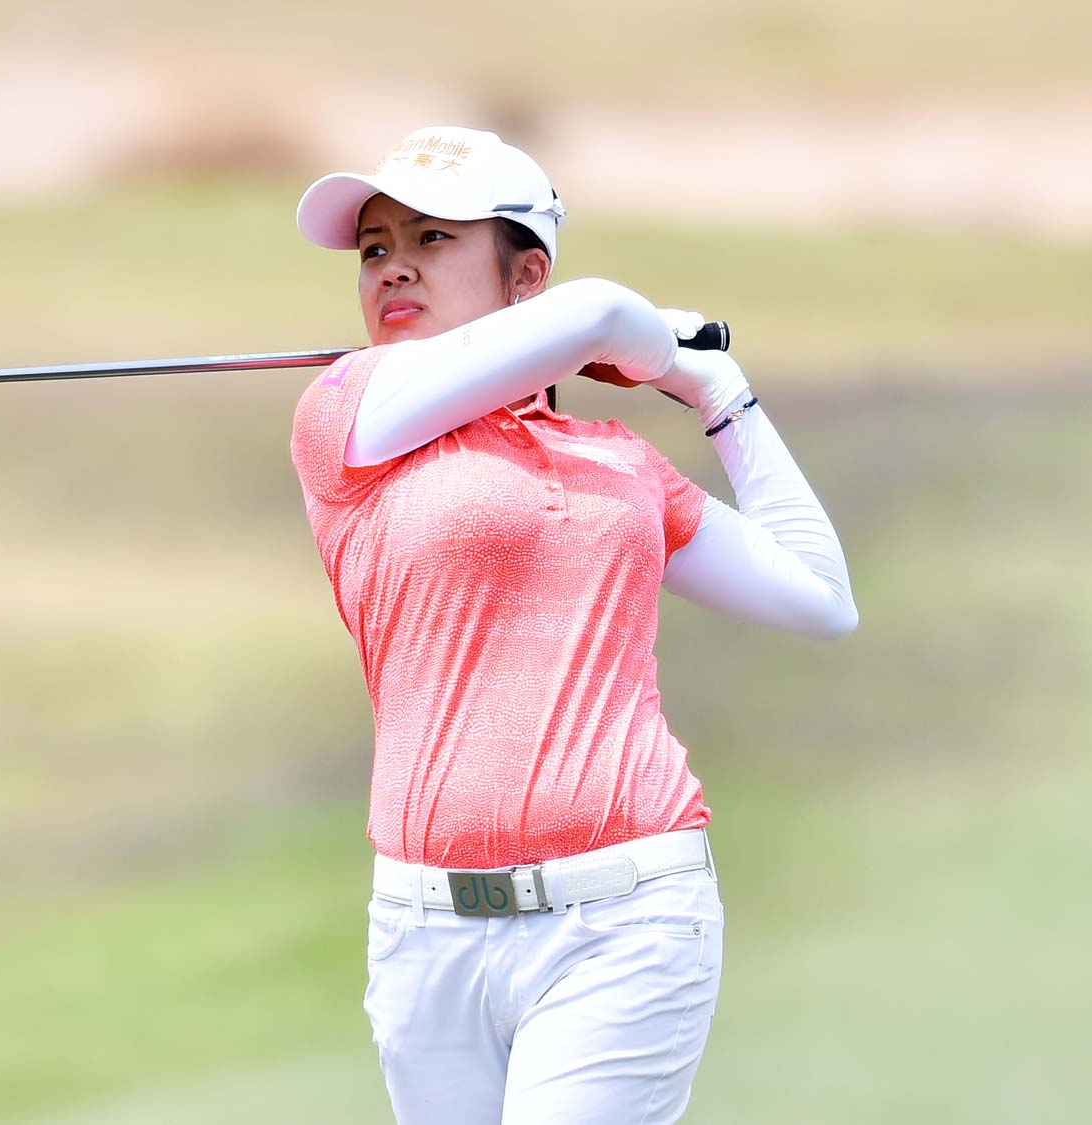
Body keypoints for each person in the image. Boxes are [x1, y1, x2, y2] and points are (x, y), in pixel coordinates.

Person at [288, 125, 857, 1124]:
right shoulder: (345, 413)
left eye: (432, 239)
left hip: (628, 917)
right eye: (374, 248)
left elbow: (818, 599)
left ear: (523, 278)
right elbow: (597, 309)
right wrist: (615, 331)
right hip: (424, 934)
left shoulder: (619, 465)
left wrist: (716, 394)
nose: (393, 268)